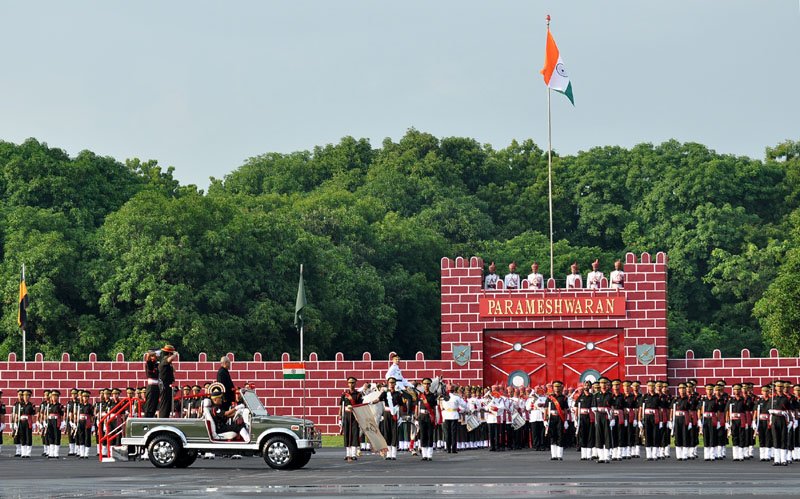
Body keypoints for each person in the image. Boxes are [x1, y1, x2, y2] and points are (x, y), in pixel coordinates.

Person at [378, 377, 404, 460]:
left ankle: (394, 454)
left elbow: (401, 405)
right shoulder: (385, 393)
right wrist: (371, 402)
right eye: (390, 383)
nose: (392, 384)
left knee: (394, 432)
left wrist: (400, 416)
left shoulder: (398, 394)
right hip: (386, 413)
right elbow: (378, 399)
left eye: (393, 383)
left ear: (395, 384)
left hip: (395, 414)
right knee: (387, 432)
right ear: (388, 383)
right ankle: (388, 454)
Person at [340, 376, 363, 462]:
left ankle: (353, 454)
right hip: (346, 415)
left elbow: (360, 406)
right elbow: (341, 406)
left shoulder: (358, 394)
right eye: (349, 382)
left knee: (354, 434)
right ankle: (347, 454)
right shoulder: (344, 394)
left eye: (353, 382)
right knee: (347, 434)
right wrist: (339, 418)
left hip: (355, 415)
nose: (351, 384)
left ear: (355, 383)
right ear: (347, 383)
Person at [439, 383, 466, 454]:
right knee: (454, 433)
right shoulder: (457, 397)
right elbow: (464, 405)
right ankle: (454, 449)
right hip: (454, 415)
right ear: (454, 390)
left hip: (446, 415)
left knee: (447, 433)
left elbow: (440, 406)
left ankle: (448, 448)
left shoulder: (442, 397)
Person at [416, 377, 439, 461]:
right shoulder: (420, 395)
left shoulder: (433, 396)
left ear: (430, 385)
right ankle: (424, 455)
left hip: (429, 416)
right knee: (422, 435)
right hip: (421, 416)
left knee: (430, 435)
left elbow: (434, 408)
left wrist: (435, 418)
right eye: (425, 384)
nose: (426, 386)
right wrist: (416, 417)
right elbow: (417, 406)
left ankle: (429, 455)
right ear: (422, 385)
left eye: (428, 384)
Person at [545, 381, 569, 461]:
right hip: (552, 417)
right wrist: (545, 419)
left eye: (558, 387)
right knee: (552, 435)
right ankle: (553, 455)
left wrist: (566, 420)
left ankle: (559, 455)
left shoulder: (564, 398)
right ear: (553, 388)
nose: (557, 388)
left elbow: (565, 410)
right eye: (555, 387)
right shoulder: (549, 398)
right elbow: (546, 409)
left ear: (561, 388)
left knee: (560, 435)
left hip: (560, 418)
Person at [158, 344, 178, 418]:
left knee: (168, 404)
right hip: (164, 385)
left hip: (168, 385)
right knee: (164, 404)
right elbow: (170, 359)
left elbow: (174, 370)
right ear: (169, 354)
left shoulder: (168, 363)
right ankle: (163, 418)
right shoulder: (165, 360)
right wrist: (175, 354)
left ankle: (165, 417)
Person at [45, 390, 64, 459]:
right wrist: (46, 422)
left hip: (57, 421)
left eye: (56, 396)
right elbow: (46, 414)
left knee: (56, 436)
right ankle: (51, 452)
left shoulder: (60, 406)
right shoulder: (49, 405)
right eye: (53, 396)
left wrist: (62, 422)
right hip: (50, 421)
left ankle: (56, 453)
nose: (54, 397)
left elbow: (62, 415)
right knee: (50, 436)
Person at [143, 350, 160, 417]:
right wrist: (153, 353)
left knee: (154, 405)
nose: (154, 357)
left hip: (156, 387)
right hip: (151, 387)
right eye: (153, 356)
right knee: (149, 406)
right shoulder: (149, 364)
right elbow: (147, 358)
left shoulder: (156, 364)